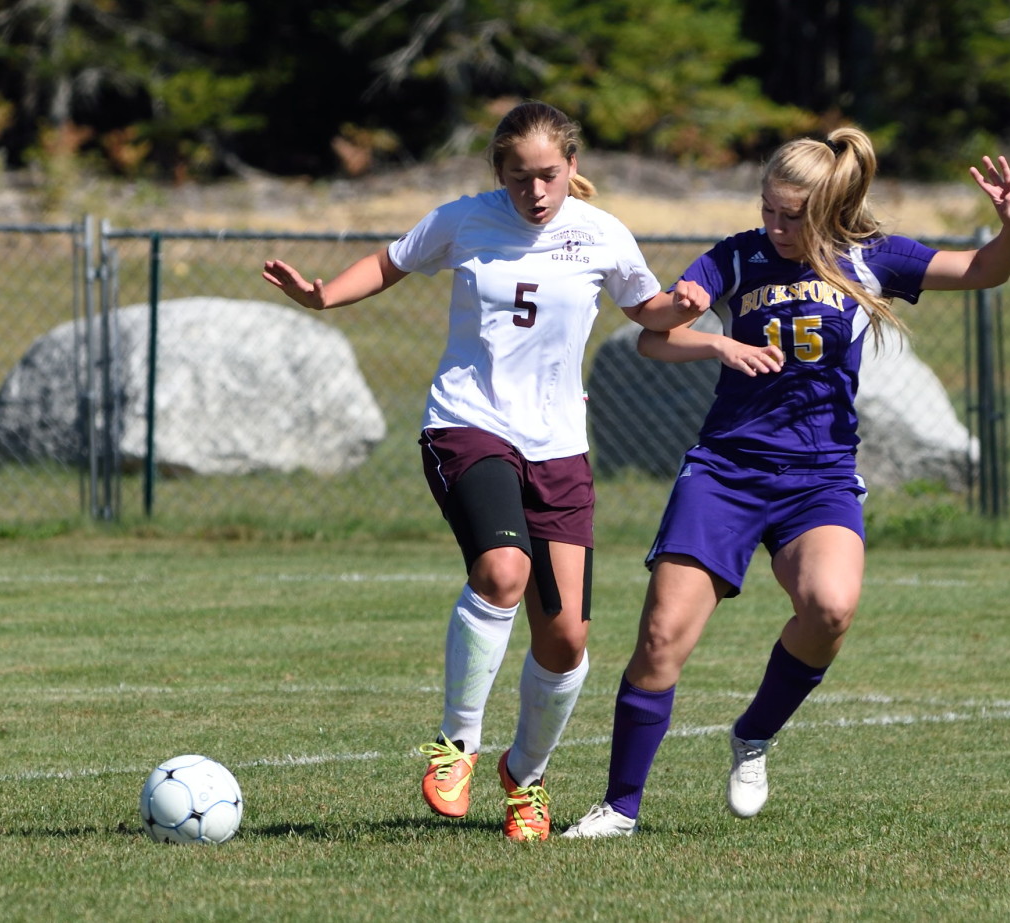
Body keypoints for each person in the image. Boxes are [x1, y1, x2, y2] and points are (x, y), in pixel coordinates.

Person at [261, 100, 709, 841]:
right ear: (497, 172)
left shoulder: (601, 234)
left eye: (549, 176)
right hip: (468, 425)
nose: (535, 192)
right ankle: (457, 742)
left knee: (565, 641)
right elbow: (390, 261)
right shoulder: (463, 220)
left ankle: (524, 777)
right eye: (519, 176)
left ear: (572, 168)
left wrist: (682, 306)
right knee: (502, 570)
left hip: (560, 446)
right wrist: (323, 295)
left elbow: (646, 307)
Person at [563, 127, 1010, 838]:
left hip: (821, 475)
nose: (775, 226)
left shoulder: (872, 258)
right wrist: (713, 336)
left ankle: (753, 734)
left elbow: (985, 271)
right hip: (726, 468)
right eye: (769, 209)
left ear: (831, 207)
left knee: (831, 609)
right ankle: (620, 806)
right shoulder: (738, 255)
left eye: (792, 216)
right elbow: (655, 336)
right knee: (660, 637)